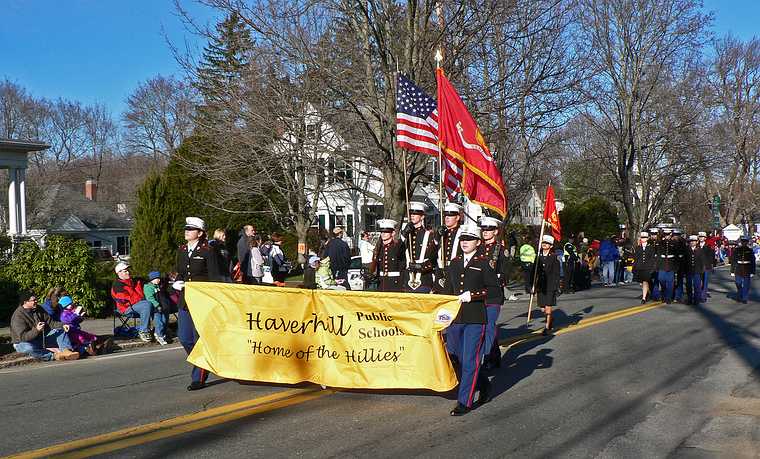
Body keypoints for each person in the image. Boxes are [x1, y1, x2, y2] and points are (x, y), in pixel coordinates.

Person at [443, 224, 500, 416]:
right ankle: (483, 383)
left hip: (475, 318)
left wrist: (474, 295)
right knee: (455, 356)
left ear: (477, 242)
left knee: (469, 360)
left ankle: (464, 402)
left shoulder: (483, 263)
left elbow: (494, 291)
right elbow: (448, 290)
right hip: (456, 317)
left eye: (469, 239)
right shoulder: (455, 262)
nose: (464, 242)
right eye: (462, 239)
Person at [174, 216, 223, 391]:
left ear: (200, 233)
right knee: (185, 338)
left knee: (198, 338)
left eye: (191, 229)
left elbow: (214, 278)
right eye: (186, 228)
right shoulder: (181, 250)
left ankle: (199, 375)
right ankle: (203, 361)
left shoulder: (207, 251)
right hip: (185, 300)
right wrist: (177, 282)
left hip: (202, 300)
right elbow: (181, 272)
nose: (186, 231)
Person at [10, 292, 80, 361]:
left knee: (60, 331)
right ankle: (53, 356)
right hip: (22, 342)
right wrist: (36, 330)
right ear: (25, 302)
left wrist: (63, 325)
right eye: (33, 300)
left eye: (36, 299)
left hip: (40, 339)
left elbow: (51, 323)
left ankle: (66, 351)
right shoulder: (18, 316)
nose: (36, 301)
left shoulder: (39, 308)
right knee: (28, 348)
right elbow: (23, 337)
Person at [477, 216, 507, 369]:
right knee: (483, 326)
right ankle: (495, 355)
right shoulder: (478, 248)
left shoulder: (500, 249)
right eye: (483, 229)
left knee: (489, 326)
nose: (485, 232)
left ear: (495, 231)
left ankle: (487, 357)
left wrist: (494, 279)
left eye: (489, 229)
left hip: (493, 294)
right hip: (478, 293)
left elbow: (505, 272)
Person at [112, 261, 166, 343]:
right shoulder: (117, 285)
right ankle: (143, 331)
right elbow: (125, 300)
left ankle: (160, 332)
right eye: (125, 271)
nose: (128, 272)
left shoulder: (136, 280)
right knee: (147, 304)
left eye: (128, 270)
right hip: (126, 308)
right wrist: (143, 300)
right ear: (119, 273)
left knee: (156, 305)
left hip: (141, 305)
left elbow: (152, 281)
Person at [401, 201, 437, 293]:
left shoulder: (429, 234)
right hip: (408, 277)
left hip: (424, 278)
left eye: (416, 214)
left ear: (422, 216)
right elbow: (397, 252)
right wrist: (403, 235)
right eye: (411, 213)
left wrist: (421, 267)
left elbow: (433, 256)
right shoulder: (406, 234)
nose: (412, 216)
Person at [370, 219, 405, 292]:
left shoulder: (397, 247)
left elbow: (402, 267)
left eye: (386, 232)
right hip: (381, 283)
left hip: (395, 284)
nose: (383, 234)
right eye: (382, 232)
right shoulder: (379, 249)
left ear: (393, 233)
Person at [535, 235, 560, 335]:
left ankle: (547, 327)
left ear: (551, 246)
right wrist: (531, 285)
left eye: (547, 243)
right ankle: (550, 318)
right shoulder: (538, 256)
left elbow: (557, 272)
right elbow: (534, 271)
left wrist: (557, 285)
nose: (544, 244)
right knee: (542, 308)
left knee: (548, 307)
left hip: (550, 285)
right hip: (540, 285)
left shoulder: (554, 257)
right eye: (543, 243)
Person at [435, 202, 464, 291]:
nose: (446, 218)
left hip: (456, 271)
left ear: (457, 217)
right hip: (441, 270)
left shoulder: (462, 233)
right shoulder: (442, 232)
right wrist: (437, 238)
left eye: (450, 216)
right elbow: (432, 253)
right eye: (445, 215)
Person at [143, 271, 168, 345]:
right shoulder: (148, 287)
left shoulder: (157, 286)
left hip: (161, 307)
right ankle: (159, 335)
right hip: (155, 308)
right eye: (156, 278)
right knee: (158, 322)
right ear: (152, 279)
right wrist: (157, 305)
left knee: (164, 320)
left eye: (159, 278)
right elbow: (150, 298)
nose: (158, 280)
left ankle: (160, 333)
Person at [730, 235, 755, 304]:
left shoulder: (750, 250)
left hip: (747, 268)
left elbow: (753, 261)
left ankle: (744, 298)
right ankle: (740, 293)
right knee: (738, 282)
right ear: (741, 242)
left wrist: (753, 271)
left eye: (745, 241)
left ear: (747, 242)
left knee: (746, 284)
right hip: (739, 267)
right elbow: (733, 260)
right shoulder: (737, 250)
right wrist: (732, 270)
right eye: (743, 241)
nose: (744, 243)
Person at [633, 231, 656, 303]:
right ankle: (649, 293)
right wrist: (634, 268)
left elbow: (652, 259)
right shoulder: (637, 248)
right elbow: (636, 259)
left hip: (647, 268)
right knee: (642, 283)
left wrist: (653, 268)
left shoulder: (651, 248)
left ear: (647, 238)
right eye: (642, 237)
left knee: (645, 281)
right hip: (639, 267)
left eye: (645, 237)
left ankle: (644, 298)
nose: (643, 239)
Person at [656, 228, 677, 304]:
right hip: (662, 263)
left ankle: (668, 298)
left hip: (671, 264)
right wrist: (657, 265)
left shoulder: (674, 243)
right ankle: (664, 294)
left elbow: (676, 255)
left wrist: (676, 266)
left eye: (668, 235)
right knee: (661, 279)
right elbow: (658, 254)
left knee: (670, 282)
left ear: (670, 235)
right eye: (665, 235)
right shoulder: (660, 243)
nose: (666, 236)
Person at [685, 235, 708, 305]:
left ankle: (696, 299)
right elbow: (684, 261)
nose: (692, 243)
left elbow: (703, 261)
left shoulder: (700, 250)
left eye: (694, 241)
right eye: (691, 241)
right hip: (688, 270)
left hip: (697, 271)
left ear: (696, 242)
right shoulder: (686, 250)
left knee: (697, 285)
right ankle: (689, 299)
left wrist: (702, 269)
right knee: (688, 285)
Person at [698, 231, 714, 303]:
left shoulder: (708, 246)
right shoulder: (697, 245)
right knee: (697, 281)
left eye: (702, 237)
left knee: (705, 282)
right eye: (700, 237)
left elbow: (711, 257)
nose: (701, 238)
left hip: (705, 266)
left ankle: (703, 296)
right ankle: (698, 295)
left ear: (705, 238)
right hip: (697, 266)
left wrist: (711, 265)